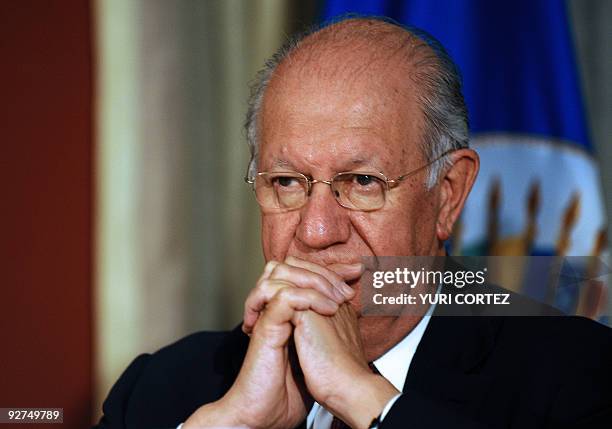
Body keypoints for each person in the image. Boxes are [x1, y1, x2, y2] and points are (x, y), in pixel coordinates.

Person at [95, 17, 612, 429]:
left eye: (363, 182)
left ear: (448, 195)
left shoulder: (578, 378)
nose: (316, 233)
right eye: (287, 183)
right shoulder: (166, 391)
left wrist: (359, 395)